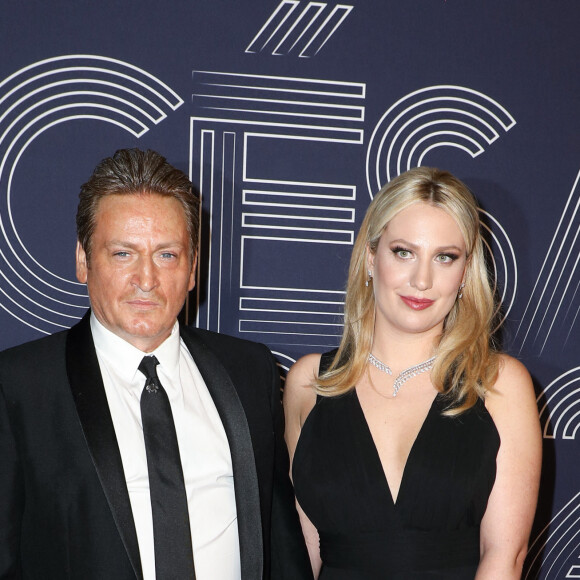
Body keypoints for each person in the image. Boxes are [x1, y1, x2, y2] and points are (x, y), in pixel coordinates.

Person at [0, 148, 312, 580]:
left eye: (166, 255)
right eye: (123, 254)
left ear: (191, 269)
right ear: (82, 261)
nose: (146, 280)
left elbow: (281, 547)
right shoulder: (18, 387)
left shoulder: (248, 371)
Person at [284, 167, 542, 579]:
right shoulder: (310, 383)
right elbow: (305, 555)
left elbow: (504, 557)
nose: (422, 280)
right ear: (371, 258)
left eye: (445, 257)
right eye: (404, 252)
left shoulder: (498, 384)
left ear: (464, 273)